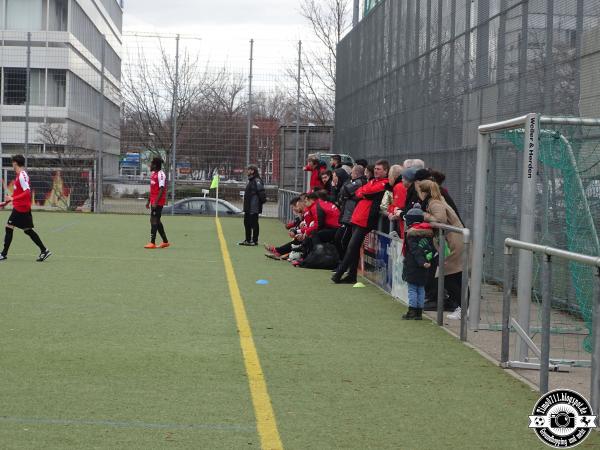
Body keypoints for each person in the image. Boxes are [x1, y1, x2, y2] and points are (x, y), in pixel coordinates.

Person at [332, 160, 390, 284]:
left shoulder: (384, 183)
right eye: (375, 168)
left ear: (386, 171)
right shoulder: (373, 181)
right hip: (358, 216)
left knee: (352, 247)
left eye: (379, 169)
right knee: (353, 247)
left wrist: (364, 193)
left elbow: (365, 192)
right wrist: (364, 193)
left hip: (365, 218)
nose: (376, 171)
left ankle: (340, 273)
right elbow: (360, 192)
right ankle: (351, 275)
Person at [418, 180, 465, 319]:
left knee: (448, 275)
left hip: (453, 242)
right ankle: (464, 307)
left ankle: (463, 307)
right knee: (456, 275)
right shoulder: (438, 200)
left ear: (423, 192)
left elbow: (440, 220)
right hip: (455, 240)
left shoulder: (434, 203)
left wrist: (425, 216)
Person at [0, 155, 51, 262]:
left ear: (15, 163)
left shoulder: (22, 176)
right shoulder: (19, 175)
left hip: (21, 208)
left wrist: (12, 198)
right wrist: (5, 203)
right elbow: (18, 193)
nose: (12, 164)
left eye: (12, 162)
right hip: (22, 207)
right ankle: (44, 250)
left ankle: (3, 254)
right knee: (27, 230)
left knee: (9, 227)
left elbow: (27, 193)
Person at [401, 203, 434, 320]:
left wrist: (421, 262)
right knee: (421, 288)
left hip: (413, 265)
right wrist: (427, 261)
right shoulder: (429, 233)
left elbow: (415, 250)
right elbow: (430, 249)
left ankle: (412, 311)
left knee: (412, 289)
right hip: (426, 265)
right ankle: (419, 312)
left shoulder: (412, 234)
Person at [334, 165, 366, 259]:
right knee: (340, 239)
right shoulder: (355, 182)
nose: (351, 174)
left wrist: (348, 195)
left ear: (356, 173)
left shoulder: (359, 182)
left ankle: (344, 263)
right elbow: (342, 194)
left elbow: (344, 190)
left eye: (352, 172)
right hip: (348, 215)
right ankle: (343, 263)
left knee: (341, 240)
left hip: (350, 217)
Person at [144, 157, 170, 249]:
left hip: (158, 202)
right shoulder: (153, 174)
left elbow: (162, 189)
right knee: (156, 220)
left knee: (154, 220)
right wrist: (148, 201)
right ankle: (165, 242)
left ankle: (152, 242)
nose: (150, 165)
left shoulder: (161, 174)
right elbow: (152, 190)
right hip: (153, 201)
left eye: (151, 163)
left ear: (155, 165)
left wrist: (156, 202)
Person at [240, 165, 266, 246]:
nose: (247, 171)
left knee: (254, 223)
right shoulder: (251, 180)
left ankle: (254, 241)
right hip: (248, 207)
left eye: (248, 170)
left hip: (253, 207)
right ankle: (247, 240)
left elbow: (261, 192)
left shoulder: (257, 180)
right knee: (246, 223)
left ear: (252, 171)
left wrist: (261, 202)